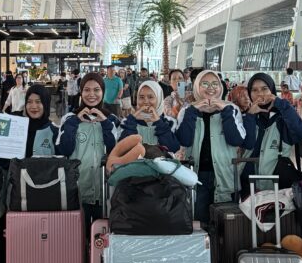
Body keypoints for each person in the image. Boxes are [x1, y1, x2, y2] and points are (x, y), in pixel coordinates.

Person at [176, 70, 249, 223]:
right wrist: (192, 111)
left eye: (215, 84)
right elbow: (184, 140)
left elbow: (236, 140)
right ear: (197, 87)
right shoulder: (187, 111)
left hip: (224, 174)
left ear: (221, 87)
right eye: (205, 83)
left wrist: (225, 111)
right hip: (196, 176)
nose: (211, 88)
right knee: (199, 222)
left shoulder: (231, 109)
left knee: (226, 224)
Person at [58, 71, 119, 223]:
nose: (91, 94)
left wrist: (105, 123)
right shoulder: (69, 119)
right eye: (87, 89)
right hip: (77, 191)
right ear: (81, 92)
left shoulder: (112, 120)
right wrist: (74, 122)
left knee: (102, 233)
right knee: (76, 233)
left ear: (103, 92)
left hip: (105, 191)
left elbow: (114, 151)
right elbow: (64, 150)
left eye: (96, 90)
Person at [241, 72, 302, 193]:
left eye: (264, 89)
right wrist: (250, 115)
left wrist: (280, 103)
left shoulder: (282, 118)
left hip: (277, 187)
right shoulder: (246, 117)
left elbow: (300, 132)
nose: (260, 93)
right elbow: (245, 144)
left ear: (271, 90)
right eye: (254, 90)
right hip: (248, 185)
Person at [120, 79, 180, 152]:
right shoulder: (127, 122)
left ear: (159, 99)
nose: (145, 101)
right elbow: (121, 149)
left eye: (150, 97)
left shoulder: (169, 122)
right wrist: (132, 121)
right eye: (141, 97)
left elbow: (173, 148)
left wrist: (159, 123)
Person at [9, 84, 58, 159]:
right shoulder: (18, 128)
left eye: (38, 102)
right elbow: (4, 162)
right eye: (29, 102)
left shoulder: (54, 131)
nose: (33, 106)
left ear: (46, 104)